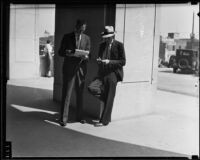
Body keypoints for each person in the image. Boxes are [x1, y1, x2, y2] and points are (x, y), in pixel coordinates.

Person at [58, 19, 91, 126]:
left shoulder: (87, 38)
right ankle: (63, 119)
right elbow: (60, 52)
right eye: (80, 30)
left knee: (80, 93)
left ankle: (80, 117)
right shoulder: (67, 37)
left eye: (83, 30)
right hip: (69, 68)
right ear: (76, 27)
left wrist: (86, 56)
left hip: (81, 69)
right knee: (66, 93)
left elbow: (88, 54)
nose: (81, 32)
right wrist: (68, 53)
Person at [95, 26, 126, 126]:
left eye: (108, 38)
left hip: (113, 73)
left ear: (112, 37)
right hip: (103, 72)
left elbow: (123, 61)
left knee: (110, 97)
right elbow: (99, 57)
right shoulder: (102, 45)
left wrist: (110, 62)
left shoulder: (119, 45)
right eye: (105, 37)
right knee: (91, 87)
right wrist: (99, 61)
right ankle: (106, 97)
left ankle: (104, 121)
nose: (106, 39)